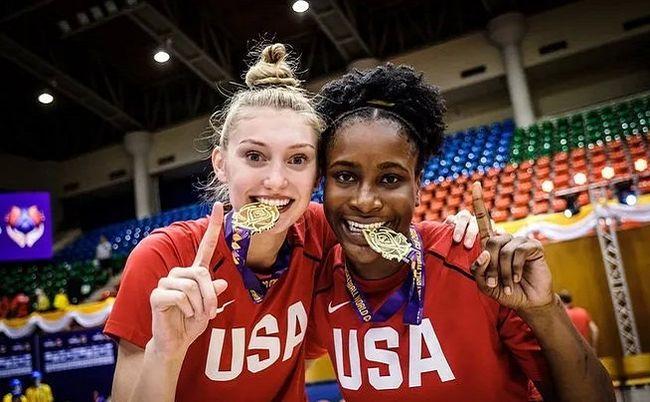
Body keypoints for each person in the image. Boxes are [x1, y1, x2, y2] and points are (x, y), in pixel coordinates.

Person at [105, 44, 478, 402]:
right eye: (255, 156)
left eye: (297, 159)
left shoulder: (322, 231)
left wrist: (455, 231)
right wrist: (165, 354)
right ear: (221, 164)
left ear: (317, 174)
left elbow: (392, 232)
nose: (276, 181)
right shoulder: (164, 258)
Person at [306, 63, 615, 402]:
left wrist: (544, 310)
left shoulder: (475, 263)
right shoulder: (318, 281)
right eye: (345, 176)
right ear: (323, 182)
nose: (365, 201)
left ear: (417, 187)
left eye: (390, 179)